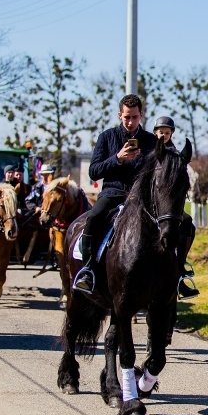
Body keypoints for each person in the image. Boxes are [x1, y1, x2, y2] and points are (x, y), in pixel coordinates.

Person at [73, 94, 156, 294]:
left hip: (142, 197)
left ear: (141, 116)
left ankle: (177, 274)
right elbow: (94, 171)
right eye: (127, 117)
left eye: (134, 117)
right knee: (93, 217)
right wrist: (117, 158)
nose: (130, 122)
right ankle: (88, 270)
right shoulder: (106, 137)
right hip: (113, 193)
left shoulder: (151, 141)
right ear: (120, 115)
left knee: (172, 222)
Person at [153, 116, 199, 299]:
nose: (163, 135)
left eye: (167, 132)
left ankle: (180, 268)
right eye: (160, 132)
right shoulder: (149, 147)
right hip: (150, 200)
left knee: (188, 222)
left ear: (171, 133)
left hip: (168, 204)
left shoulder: (175, 153)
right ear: (155, 132)